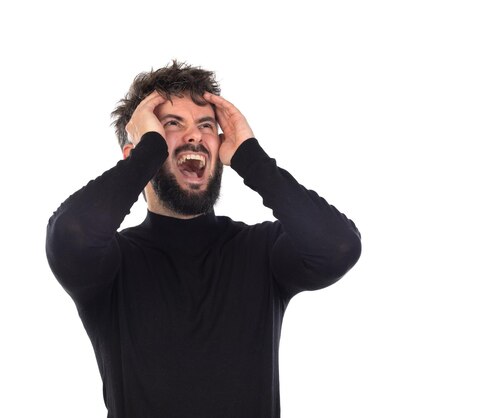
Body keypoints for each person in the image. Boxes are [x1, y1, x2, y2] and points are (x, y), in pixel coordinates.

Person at [46, 60, 361, 418]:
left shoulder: (261, 251)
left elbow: (338, 246)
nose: (194, 137)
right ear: (139, 154)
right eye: (171, 126)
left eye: (205, 126)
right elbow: (72, 233)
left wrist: (249, 156)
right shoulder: (109, 263)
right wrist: (149, 151)